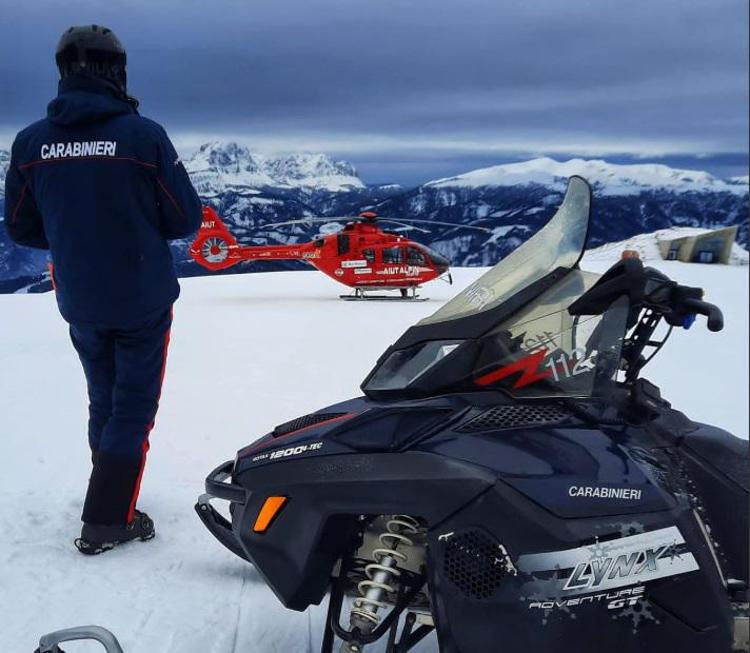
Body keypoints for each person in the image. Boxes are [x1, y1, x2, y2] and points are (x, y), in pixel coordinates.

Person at [3, 25, 202, 554]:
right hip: (141, 295)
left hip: (80, 297)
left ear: (63, 70)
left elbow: (21, 227)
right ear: (117, 70)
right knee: (133, 406)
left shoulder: (28, 143)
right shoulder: (143, 136)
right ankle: (109, 517)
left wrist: (75, 236)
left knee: (105, 398)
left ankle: (107, 489)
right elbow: (184, 218)